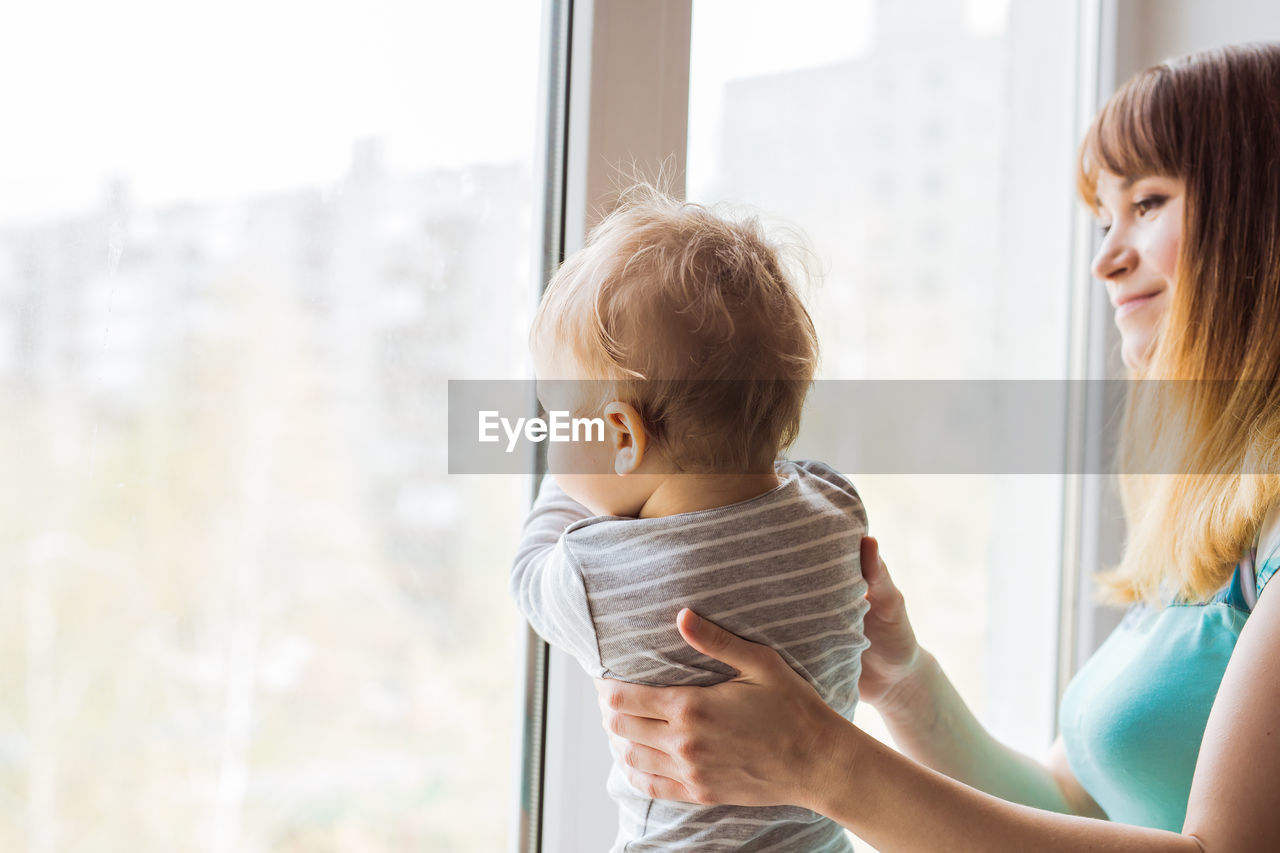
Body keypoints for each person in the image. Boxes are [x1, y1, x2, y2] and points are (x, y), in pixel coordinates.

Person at [594, 43, 1280, 852]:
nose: (1106, 257)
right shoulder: (1222, 522)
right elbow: (1072, 806)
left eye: (1150, 202)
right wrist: (898, 676)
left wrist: (821, 761)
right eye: (1104, 218)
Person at [511, 186, 870, 851]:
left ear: (624, 437)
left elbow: (530, 569)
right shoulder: (836, 509)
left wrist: (564, 482)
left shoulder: (604, 575)